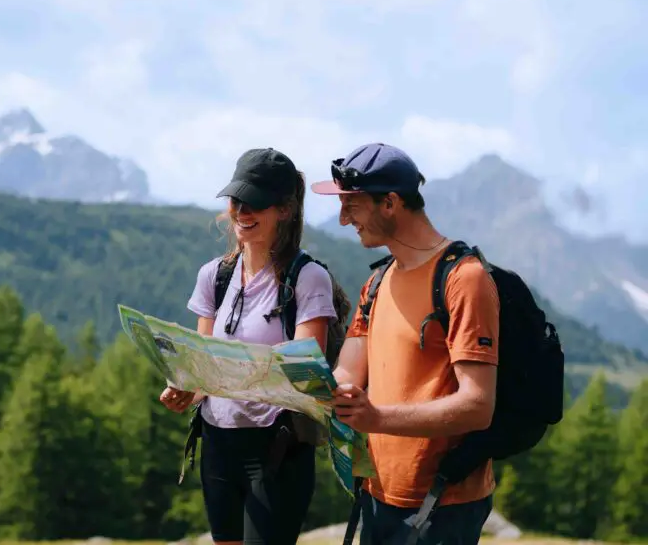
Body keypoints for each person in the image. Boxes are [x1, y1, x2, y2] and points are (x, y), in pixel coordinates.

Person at [311, 143, 499, 545]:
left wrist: (375, 418)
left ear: (390, 203)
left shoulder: (463, 278)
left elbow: (478, 406)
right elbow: (348, 373)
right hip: (377, 493)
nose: (343, 219)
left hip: (442, 504)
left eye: (352, 205)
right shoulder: (376, 283)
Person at [159, 148, 338, 545]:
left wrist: (234, 372)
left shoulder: (308, 280)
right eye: (236, 200)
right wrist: (188, 387)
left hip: (277, 448)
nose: (242, 210)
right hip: (218, 443)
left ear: (285, 210)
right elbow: (203, 366)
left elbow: (308, 378)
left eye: (255, 202)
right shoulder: (214, 277)